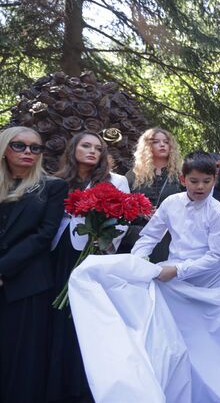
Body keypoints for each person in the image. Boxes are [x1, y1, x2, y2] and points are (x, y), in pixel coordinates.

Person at [48, 131, 129, 403]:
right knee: (59, 315)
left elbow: (122, 222)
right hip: (59, 252)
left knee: (83, 316)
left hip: (92, 253)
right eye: (86, 146)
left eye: (98, 148)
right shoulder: (58, 180)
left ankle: (82, 384)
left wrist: (102, 243)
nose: (92, 151)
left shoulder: (116, 181)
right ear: (73, 149)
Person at [0, 127, 68, 403]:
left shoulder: (52, 186)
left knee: (22, 360)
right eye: (19, 145)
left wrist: (3, 268)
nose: (28, 151)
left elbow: (44, 234)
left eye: (35, 147)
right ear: (5, 149)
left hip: (27, 284)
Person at [131, 150, 220, 283]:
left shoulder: (218, 213)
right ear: (183, 180)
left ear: (214, 180)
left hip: (206, 278)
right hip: (171, 272)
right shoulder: (171, 203)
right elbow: (150, 236)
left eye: (206, 181)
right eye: (194, 181)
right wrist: (138, 259)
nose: (200, 187)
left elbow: (217, 256)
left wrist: (178, 270)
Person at [121, 127, 183, 262]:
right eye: (156, 142)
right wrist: (140, 212)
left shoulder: (180, 175)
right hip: (139, 232)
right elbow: (123, 204)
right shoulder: (134, 175)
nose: (162, 145)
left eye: (166, 142)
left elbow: (190, 203)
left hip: (171, 233)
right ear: (147, 146)